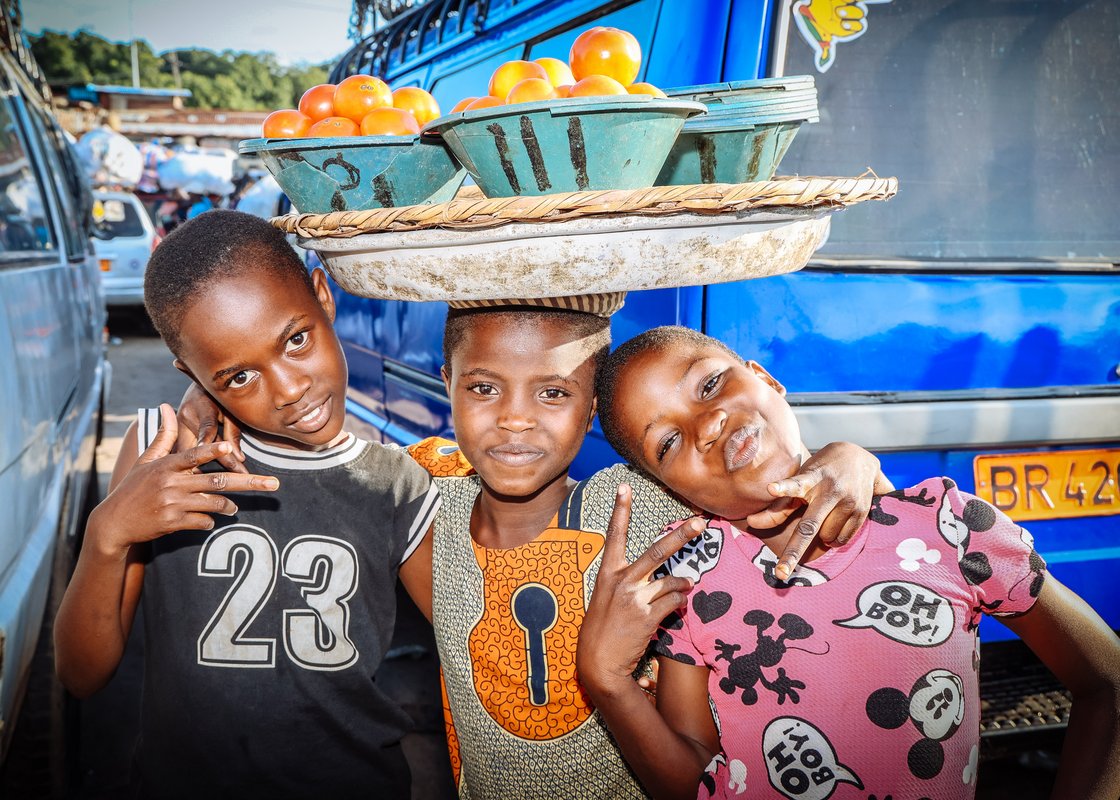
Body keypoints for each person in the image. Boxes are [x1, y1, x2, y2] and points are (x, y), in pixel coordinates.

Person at [181, 296, 889, 798]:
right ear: (447, 388)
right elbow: (319, 446)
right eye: (484, 388)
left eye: (552, 393)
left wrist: (850, 457)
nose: (514, 419)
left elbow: (763, 480)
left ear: (592, 414)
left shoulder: (639, 505)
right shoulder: (425, 502)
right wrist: (212, 397)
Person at [577, 325, 1120, 800]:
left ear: (765, 378)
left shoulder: (945, 526)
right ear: (669, 488)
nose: (708, 423)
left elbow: (1108, 681)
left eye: (710, 384)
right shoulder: (689, 578)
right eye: (669, 441)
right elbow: (693, 780)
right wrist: (608, 683)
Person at [53, 210, 441, 798]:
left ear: (322, 294)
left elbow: (477, 638)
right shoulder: (159, 452)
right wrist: (108, 534)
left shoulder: (395, 483)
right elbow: (81, 674)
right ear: (193, 374)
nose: (288, 390)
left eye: (296, 340)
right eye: (237, 377)